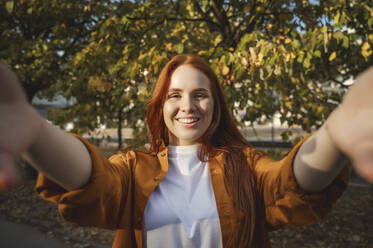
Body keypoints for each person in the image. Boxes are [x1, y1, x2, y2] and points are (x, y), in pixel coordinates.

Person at [0, 54, 372, 247]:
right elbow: (96, 180)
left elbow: (289, 184)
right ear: (161, 105)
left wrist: (335, 131)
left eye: (200, 95)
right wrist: (37, 131)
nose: (187, 106)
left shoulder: (245, 164)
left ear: (216, 105)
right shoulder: (134, 168)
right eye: (175, 95)